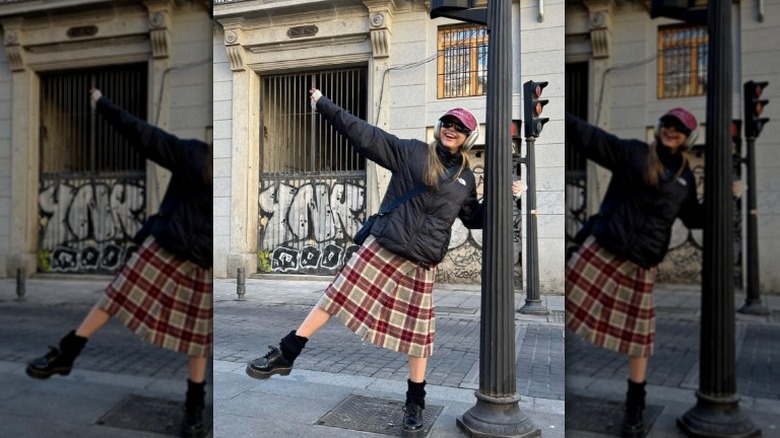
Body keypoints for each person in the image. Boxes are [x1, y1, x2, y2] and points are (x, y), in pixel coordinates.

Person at [245, 88, 524, 435]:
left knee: (419, 336)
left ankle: (415, 403)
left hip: (422, 260)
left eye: (460, 127)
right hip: (386, 244)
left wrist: (508, 198)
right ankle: (286, 353)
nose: (452, 129)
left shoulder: (466, 178)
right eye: (448, 123)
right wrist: (325, 106)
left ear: (469, 136)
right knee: (336, 295)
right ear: (440, 127)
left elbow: (474, 219)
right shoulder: (413, 152)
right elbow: (366, 136)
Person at [26, 88, 213, 438]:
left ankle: (194, 410)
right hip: (168, 245)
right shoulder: (195, 155)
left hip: (204, 263)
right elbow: (145, 135)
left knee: (198, 337)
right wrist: (104, 105)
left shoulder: (220, 168)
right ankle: (67, 352)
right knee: (116, 295)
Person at [565, 108, 705, 438]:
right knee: (564, 308)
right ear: (659, 127)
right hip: (605, 249)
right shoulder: (634, 153)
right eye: (668, 124)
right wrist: (556, 113)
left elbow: (695, 218)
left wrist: (728, 196)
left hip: (642, 263)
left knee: (639, 341)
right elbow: (591, 139)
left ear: (688, 137)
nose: (672, 130)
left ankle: (635, 406)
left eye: (680, 128)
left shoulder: (686, 179)